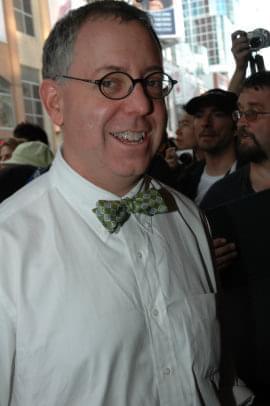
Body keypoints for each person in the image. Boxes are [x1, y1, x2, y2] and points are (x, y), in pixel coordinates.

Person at [0, 2, 252, 405]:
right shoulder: (7, 250)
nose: (142, 106)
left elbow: (219, 379)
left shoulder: (189, 219)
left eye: (152, 82)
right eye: (111, 83)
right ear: (54, 102)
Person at [200, 71, 270, 404]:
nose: (243, 122)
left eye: (255, 112)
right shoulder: (218, 200)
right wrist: (203, 264)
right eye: (240, 113)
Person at [178, 89, 241, 204]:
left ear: (236, 125)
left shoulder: (255, 177)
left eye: (217, 114)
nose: (205, 122)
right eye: (199, 115)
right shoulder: (185, 180)